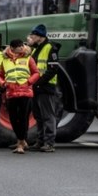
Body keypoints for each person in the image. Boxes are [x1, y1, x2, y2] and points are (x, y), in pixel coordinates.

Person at [0, 39, 39, 154]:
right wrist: (3, 83)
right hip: (11, 93)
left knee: (23, 118)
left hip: (25, 93)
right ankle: (22, 140)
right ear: (12, 48)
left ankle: (20, 142)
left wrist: (28, 82)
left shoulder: (28, 58)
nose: (22, 48)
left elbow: (36, 73)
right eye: (19, 46)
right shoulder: (5, 61)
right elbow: (0, 75)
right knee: (13, 119)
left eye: (22, 45)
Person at [27, 24, 59, 152]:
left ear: (40, 36)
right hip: (37, 87)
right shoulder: (36, 49)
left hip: (46, 86)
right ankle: (40, 142)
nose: (31, 37)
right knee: (38, 116)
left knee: (48, 116)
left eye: (33, 35)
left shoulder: (50, 48)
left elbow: (53, 69)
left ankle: (49, 143)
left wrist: (39, 82)